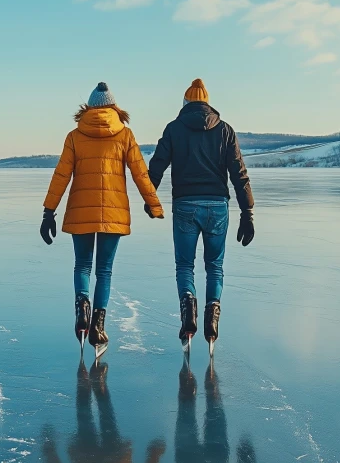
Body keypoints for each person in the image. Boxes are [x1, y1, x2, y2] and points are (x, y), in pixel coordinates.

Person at [41, 82, 164, 359]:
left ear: (88, 107)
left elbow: (61, 174)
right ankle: (98, 326)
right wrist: (154, 205)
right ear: (113, 107)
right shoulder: (125, 134)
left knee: (82, 265)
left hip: (80, 212)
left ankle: (82, 307)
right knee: (104, 271)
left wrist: (49, 211)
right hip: (113, 212)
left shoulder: (75, 136)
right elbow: (140, 173)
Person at [147, 79, 254, 355]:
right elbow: (239, 174)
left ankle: (189, 313)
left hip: (185, 205)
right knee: (214, 266)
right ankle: (212, 319)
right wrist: (247, 212)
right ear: (207, 103)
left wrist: (150, 197)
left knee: (185, 266)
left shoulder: (173, 129)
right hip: (217, 206)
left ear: (185, 104)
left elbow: (157, 164)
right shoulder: (225, 130)